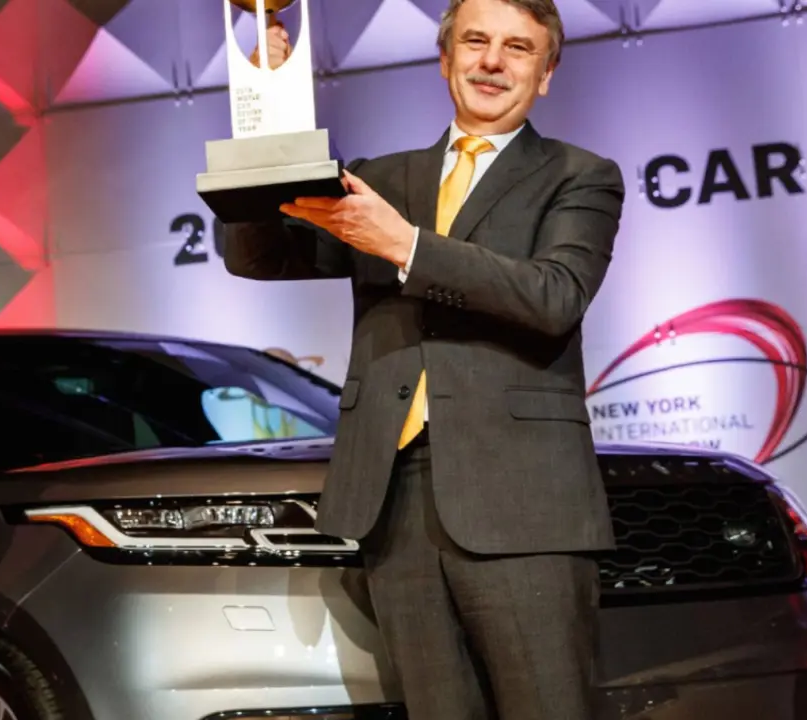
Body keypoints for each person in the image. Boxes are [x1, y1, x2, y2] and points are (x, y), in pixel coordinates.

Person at [227, 1, 623, 717]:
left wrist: (404, 246)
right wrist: (266, 109)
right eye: (475, 41)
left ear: (546, 74)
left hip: (524, 507)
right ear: (445, 60)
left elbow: (555, 296)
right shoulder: (379, 180)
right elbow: (261, 255)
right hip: (396, 503)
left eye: (518, 48)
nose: (492, 61)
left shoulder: (580, 175)